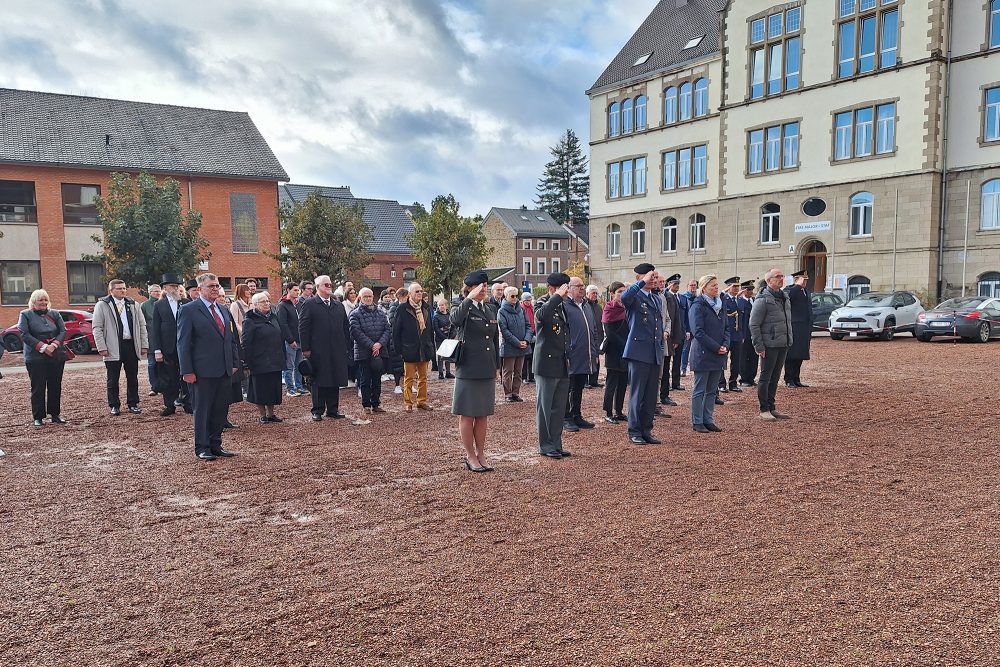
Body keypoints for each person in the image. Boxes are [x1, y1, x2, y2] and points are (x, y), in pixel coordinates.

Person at [176, 273, 241, 461]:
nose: (215, 289)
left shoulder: (223, 309)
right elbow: (183, 343)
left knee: (220, 409)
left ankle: (216, 444)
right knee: (203, 409)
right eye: (211, 286)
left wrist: (235, 362)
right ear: (199, 289)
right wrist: (187, 371)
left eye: (217, 285)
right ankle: (202, 447)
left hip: (225, 369)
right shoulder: (189, 310)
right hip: (202, 371)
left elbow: (231, 340)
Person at [450, 271, 501, 472]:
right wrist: (468, 300)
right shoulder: (462, 306)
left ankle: (481, 453)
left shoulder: (489, 310)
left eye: (485, 287)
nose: (483, 290)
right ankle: (470, 455)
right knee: (467, 415)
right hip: (469, 366)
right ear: (470, 288)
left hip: (486, 366)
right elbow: (454, 320)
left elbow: (494, 340)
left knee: (482, 414)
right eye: (479, 287)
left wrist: (496, 365)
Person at [621, 264, 665, 445]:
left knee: (650, 395)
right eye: (650, 277)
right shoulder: (635, 295)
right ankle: (634, 431)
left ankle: (647, 429)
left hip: (654, 351)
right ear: (640, 278)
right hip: (638, 352)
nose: (654, 280)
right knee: (638, 394)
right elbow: (624, 297)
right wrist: (641, 283)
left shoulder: (655, 298)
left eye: (655, 277)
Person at [92, 279, 149, 416]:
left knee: (132, 377)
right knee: (113, 378)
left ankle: (133, 403)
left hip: (130, 345)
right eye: (119, 289)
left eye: (124, 288)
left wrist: (144, 345)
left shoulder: (133, 304)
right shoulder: (102, 305)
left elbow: (142, 326)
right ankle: (114, 405)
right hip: (112, 346)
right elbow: (97, 327)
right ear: (111, 290)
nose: (122, 291)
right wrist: (101, 347)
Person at [299, 275, 352, 421]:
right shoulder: (309, 304)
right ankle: (317, 410)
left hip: (336, 349)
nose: (329, 286)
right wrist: (306, 348)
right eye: (326, 284)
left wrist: (347, 345)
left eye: (330, 284)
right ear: (318, 287)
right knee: (319, 380)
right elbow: (303, 327)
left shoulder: (338, 305)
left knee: (334, 378)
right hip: (317, 350)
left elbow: (345, 327)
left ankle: (333, 409)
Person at [533, 273, 573, 458]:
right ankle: (545, 444)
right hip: (546, 363)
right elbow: (541, 317)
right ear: (552, 289)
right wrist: (556, 297)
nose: (568, 291)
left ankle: (555, 443)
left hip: (560, 361)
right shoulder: (543, 303)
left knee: (558, 407)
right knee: (545, 407)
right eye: (564, 288)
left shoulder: (562, 306)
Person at [18, 290, 68, 427]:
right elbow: (24, 334)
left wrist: (54, 344)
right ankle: (38, 416)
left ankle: (55, 414)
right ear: (33, 301)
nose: (43, 303)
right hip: (35, 357)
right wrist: (43, 347)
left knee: (55, 385)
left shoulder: (55, 314)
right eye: (40, 300)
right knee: (38, 387)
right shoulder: (25, 314)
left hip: (55, 356)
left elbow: (63, 331)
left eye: (45, 300)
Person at [749, 268, 794, 422]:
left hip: (783, 343)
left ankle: (772, 406)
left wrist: (789, 339)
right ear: (769, 281)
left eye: (782, 276)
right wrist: (759, 346)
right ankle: (764, 409)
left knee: (775, 377)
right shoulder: (762, 299)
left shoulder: (784, 296)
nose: (781, 279)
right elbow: (754, 324)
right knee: (765, 377)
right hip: (769, 344)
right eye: (777, 276)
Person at [689, 275, 731, 434]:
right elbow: (698, 332)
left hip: (718, 352)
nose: (716, 287)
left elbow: (727, 327)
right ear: (704, 287)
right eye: (713, 285)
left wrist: (725, 345)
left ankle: (708, 419)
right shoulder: (698, 305)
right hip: (703, 353)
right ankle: (697, 421)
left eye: (716, 285)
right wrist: (716, 347)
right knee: (700, 389)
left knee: (712, 390)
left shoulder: (721, 304)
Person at [149, 274, 192, 416]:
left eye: (177, 286)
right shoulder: (159, 305)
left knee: (187, 375)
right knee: (168, 377)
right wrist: (157, 350)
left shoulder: (186, 302)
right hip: (168, 348)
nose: (175, 288)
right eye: (172, 286)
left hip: (186, 346)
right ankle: (169, 405)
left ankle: (188, 403)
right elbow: (155, 329)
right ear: (165, 288)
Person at [562, 276, 600, 432]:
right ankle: (566, 417)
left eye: (583, 286)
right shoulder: (564, 306)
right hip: (572, 354)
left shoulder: (586, 306)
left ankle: (577, 415)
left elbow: (594, 330)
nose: (582, 289)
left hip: (586, 353)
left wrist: (595, 351)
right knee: (569, 387)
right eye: (578, 286)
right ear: (569, 288)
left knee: (579, 386)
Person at [242, 291, 285, 424]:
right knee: (260, 389)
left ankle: (271, 413)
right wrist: (246, 363)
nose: (267, 304)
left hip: (275, 359)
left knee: (273, 388)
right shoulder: (250, 321)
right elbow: (246, 343)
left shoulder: (274, 317)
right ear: (255, 305)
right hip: (259, 361)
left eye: (267, 301)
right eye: (263, 302)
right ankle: (263, 415)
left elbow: (280, 336)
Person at [392, 283, 436, 412]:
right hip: (409, 348)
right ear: (410, 293)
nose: (419, 293)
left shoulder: (426, 308)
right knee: (409, 378)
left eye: (421, 291)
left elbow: (430, 330)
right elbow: (396, 331)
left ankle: (422, 401)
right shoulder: (402, 309)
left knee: (423, 378)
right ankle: (408, 402)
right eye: (417, 291)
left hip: (424, 348)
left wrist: (431, 347)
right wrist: (398, 349)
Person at [349, 287, 391, 415]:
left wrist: (379, 344)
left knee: (377, 379)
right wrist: (372, 345)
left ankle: (376, 403)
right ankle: (366, 405)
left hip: (379, 351)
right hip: (363, 352)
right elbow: (356, 332)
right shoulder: (355, 314)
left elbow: (387, 330)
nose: (368, 298)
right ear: (360, 298)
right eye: (365, 296)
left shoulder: (380, 313)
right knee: (365, 379)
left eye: (370, 296)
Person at [497, 285, 533, 402]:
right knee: (508, 371)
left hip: (522, 345)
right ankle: (508, 394)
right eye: (512, 296)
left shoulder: (521, 310)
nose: (515, 298)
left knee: (518, 371)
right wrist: (517, 342)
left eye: (516, 295)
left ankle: (516, 393)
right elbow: (504, 330)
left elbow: (528, 326)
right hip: (509, 346)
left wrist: (526, 340)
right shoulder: (501, 312)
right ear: (506, 297)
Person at [601, 281, 628, 423]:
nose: (622, 294)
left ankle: (619, 411)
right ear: (612, 294)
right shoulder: (608, 308)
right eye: (619, 292)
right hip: (614, 350)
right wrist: (625, 345)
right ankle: (608, 412)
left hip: (626, 350)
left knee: (623, 382)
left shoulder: (626, 307)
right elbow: (609, 333)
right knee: (612, 382)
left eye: (624, 291)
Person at [784, 270, 813, 388]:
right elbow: (788, 298)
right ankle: (789, 379)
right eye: (803, 279)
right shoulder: (790, 289)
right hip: (794, 326)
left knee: (800, 354)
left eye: (806, 280)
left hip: (804, 327)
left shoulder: (805, 292)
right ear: (797, 279)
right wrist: (797, 285)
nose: (805, 282)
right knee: (791, 354)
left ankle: (796, 378)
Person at [277, 282, 305, 397]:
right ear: (288, 290)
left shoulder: (299, 304)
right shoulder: (282, 305)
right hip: (290, 341)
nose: (297, 292)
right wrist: (290, 340)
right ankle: (290, 388)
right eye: (295, 290)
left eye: (298, 290)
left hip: (300, 340)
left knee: (299, 365)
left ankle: (299, 386)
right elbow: (283, 324)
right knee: (289, 366)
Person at [660, 274, 683, 408]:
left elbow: (676, 318)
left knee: (666, 368)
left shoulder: (670, 297)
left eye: (663, 282)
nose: (662, 283)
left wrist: (676, 338)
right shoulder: (655, 296)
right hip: (657, 337)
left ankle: (664, 395)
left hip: (668, 338)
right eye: (660, 281)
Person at [717, 277, 743, 394]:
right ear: (729, 287)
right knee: (723, 360)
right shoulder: (724, 298)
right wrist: (724, 291)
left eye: (738, 286)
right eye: (734, 286)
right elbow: (719, 299)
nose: (737, 289)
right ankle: (721, 384)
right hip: (726, 334)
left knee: (736, 360)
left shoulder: (739, 299)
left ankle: (733, 383)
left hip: (737, 334)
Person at [668, 275, 688, 392]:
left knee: (678, 359)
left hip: (680, 331)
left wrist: (687, 330)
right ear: (670, 284)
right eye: (674, 284)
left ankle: (676, 382)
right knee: (667, 360)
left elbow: (685, 316)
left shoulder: (682, 298)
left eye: (678, 284)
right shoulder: (667, 296)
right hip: (670, 331)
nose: (677, 286)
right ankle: (667, 384)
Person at [387, 287, 409, 394]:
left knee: (408, 364)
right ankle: (397, 385)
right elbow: (392, 321)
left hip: (406, 338)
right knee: (397, 364)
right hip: (395, 338)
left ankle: (408, 384)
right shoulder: (394, 307)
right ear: (400, 297)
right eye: (405, 297)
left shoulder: (408, 306)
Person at [141, 283, 161, 396]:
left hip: (163, 339)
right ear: (150, 292)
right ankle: (154, 386)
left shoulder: (163, 303)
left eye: (159, 291)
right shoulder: (144, 306)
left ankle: (163, 385)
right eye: (155, 291)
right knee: (152, 364)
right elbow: (142, 323)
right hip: (151, 339)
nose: (158, 293)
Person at [738, 280, 759, 387]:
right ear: (744, 290)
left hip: (754, 333)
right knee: (744, 356)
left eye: (752, 289)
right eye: (749, 290)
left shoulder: (754, 301)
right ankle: (744, 378)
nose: (751, 292)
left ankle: (751, 377)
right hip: (745, 333)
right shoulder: (740, 302)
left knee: (754, 356)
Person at [583, 285, 604, 388]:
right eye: (593, 293)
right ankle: (585, 381)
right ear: (587, 294)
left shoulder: (598, 307)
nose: (595, 295)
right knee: (587, 358)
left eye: (596, 293)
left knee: (597, 358)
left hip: (598, 335)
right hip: (588, 335)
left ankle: (593, 380)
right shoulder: (584, 305)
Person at [678, 278, 699, 377]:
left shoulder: (698, 298)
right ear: (687, 287)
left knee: (697, 349)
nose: (693, 287)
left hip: (697, 328)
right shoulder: (683, 297)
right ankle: (683, 368)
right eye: (691, 285)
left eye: (695, 285)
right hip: (688, 328)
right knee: (685, 349)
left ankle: (696, 368)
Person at [432, 298, 455, 379]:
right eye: (439, 305)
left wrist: (451, 336)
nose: (441, 307)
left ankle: (448, 372)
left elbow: (453, 326)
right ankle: (441, 372)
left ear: (446, 306)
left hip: (449, 338)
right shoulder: (436, 316)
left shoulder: (450, 315)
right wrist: (444, 337)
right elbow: (436, 328)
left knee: (448, 355)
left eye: (442, 305)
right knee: (441, 355)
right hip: (440, 338)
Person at [520, 292, 536, 384]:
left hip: (533, 333)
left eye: (530, 300)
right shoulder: (521, 309)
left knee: (532, 357)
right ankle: (524, 376)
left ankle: (531, 376)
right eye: (527, 300)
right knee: (525, 358)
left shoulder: (532, 308)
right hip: (525, 334)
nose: (528, 302)